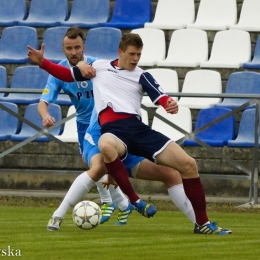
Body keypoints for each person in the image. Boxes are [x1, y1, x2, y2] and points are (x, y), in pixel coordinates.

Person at [27, 34, 232, 235]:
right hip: (108, 131)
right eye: (132, 54)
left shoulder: (141, 75)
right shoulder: (100, 68)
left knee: (187, 165)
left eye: (139, 54)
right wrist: (43, 62)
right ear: (120, 52)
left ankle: (202, 223)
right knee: (104, 148)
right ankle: (131, 201)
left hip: (138, 130)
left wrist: (168, 103)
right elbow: (66, 75)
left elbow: (160, 95)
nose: (135, 58)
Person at [37, 26, 131, 228]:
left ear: (83, 47)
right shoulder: (59, 72)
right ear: (63, 50)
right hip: (82, 124)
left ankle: (111, 203)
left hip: (105, 122)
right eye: (69, 48)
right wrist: (45, 116)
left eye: (77, 47)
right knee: (92, 165)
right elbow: (43, 102)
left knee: (99, 164)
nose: (73, 52)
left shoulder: (96, 66)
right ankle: (122, 204)